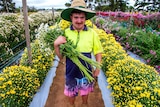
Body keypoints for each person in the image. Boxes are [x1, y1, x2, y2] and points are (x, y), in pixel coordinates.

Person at [54, 0, 103, 107]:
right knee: (71, 93)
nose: (79, 21)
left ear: (85, 18)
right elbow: (61, 57)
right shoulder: (65, 33)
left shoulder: (92, 33)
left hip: (87, 71)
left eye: (82, 17)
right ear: (71, 17)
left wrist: (98, 67)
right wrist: (56, 45)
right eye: (76, 17)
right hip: (71, 71)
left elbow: (98, 51)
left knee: (85, 91)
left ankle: (84, 104)